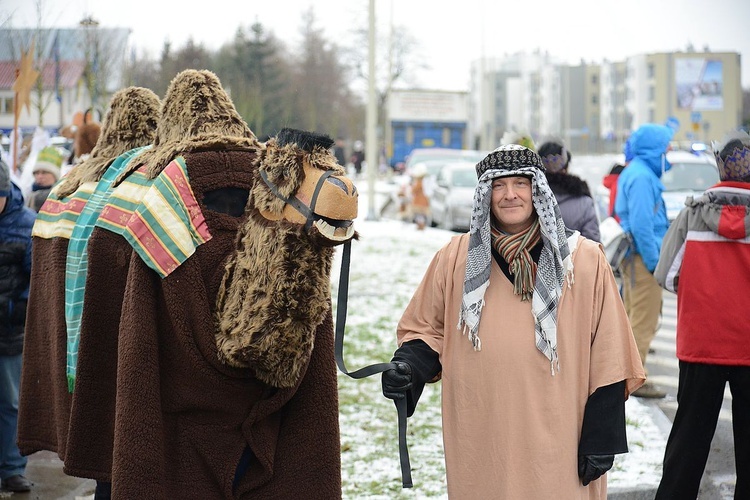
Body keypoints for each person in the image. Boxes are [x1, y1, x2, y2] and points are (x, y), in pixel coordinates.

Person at [382, 144, 645, 498]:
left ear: (538, 190)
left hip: (559, 436)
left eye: (520, 183)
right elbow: (427, 328)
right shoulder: (454, 257)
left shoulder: (582, 260)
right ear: (484, 194)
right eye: (498, 185)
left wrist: (603, 433)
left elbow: (611, 349)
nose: (509, 195)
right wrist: (409, 367)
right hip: (482, 432)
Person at [653, 132, 750, 500]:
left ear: (720, 163)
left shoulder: (692, 214)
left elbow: (668, 275)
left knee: (689, 442)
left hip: (701, 345)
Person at [614, 123, 673, 399]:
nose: (669, 152)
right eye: (665, 147)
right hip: (642, 258)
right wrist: (654, 263)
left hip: (634, 256)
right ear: (653, 149)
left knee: (632, 315)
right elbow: (642, 225)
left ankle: (625, 377)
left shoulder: (637, 172)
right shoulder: (641, 177)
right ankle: (633, 381)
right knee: (643, 318)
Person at [0, 160, 35, 493]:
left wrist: (18, 305)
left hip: (9, 330)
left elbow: (35, 274)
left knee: (10, 401)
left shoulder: (26, 225)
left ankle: (12, 467)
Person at [537, 138, 600, 241]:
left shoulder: (527, 200)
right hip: (576, 256)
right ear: (566, 166)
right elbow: (593, 246)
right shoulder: (584, 203)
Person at [26, 146, 63, 212]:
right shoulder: (29, 194)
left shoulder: (60, 197)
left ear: (55, 176)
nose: (40, 176)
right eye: (37, 173)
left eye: (44, 172)